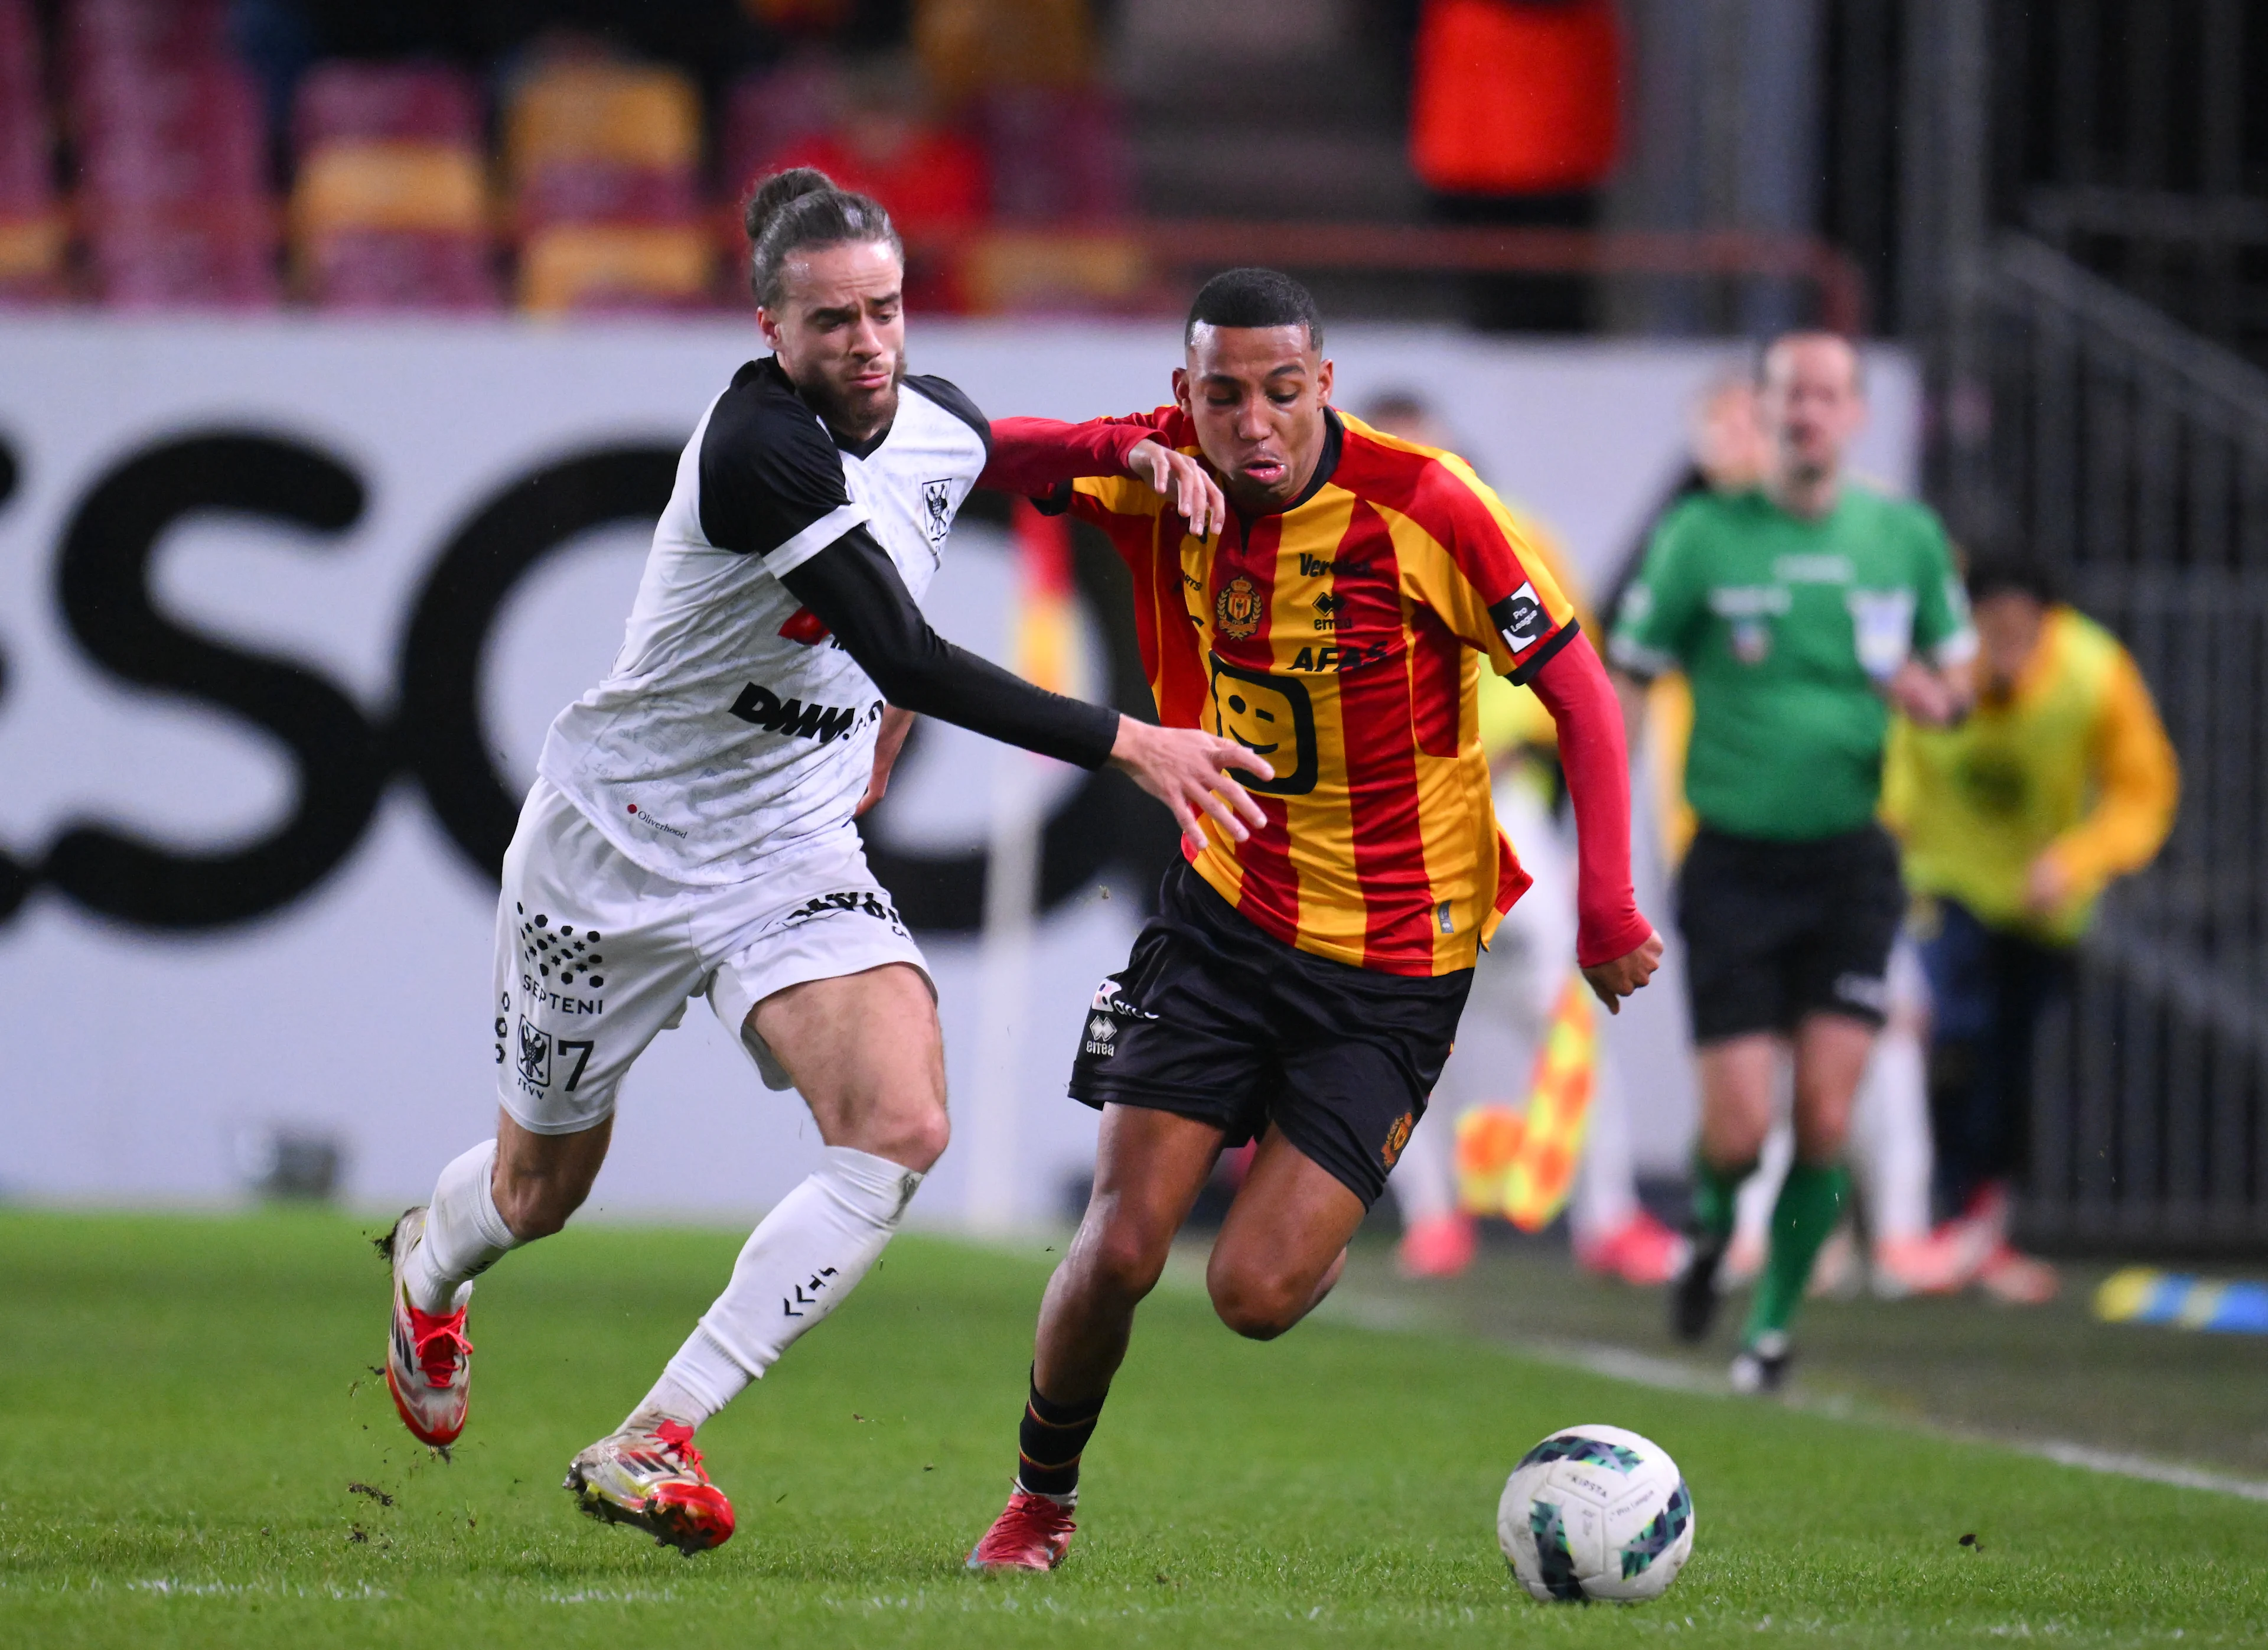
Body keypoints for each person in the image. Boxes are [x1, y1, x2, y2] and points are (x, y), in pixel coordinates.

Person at [377, 167, 1270, 1555]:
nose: (869, 346)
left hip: (784, 844)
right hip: (612, 852)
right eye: (834, 322)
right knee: (536, 1192)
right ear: (768, 327)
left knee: (902, 1125)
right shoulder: (757, 450)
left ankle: (653, 1434)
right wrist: (1128, 744)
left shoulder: (918, 412)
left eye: (888, 312)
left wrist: (1126, 448)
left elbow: (998, 450)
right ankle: (430, 1271)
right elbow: (901, 650)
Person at [963, 268, 1663, 1570]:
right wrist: (1115, 444)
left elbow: (1580, 691)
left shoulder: (1429, 505)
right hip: (1226, 917)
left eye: (1282, 390)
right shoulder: (1156, 470)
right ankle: (1038, 1499)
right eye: (1221, 396)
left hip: (1398, 962)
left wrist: (1608, 898)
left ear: (1322, 384)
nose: (1255, 423)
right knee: (1120, 1243)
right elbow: (964, 450)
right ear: (1187, 395)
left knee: (1254, 1293)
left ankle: (1307, 1194)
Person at [1607, 332, 1976, 1393]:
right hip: (1729, 861)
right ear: (1763, 412)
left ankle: (1767, 1332)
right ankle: (1714, 1235)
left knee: (1824, 1113)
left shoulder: (1900, 536)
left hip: (1853, 863)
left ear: (1855, 413)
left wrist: (1930, 697)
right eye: (1789, 395)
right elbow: (1631, 673)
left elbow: (1957, 686)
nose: (1808, 413)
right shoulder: (1703, 534)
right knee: (1738, 1127)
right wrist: (1603, 792)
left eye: (1827, 395)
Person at [1358, 391, 1684, 1285]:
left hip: (1504, 811)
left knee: (1569, 1012)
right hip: (1387, 825)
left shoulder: (1520, 533)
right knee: (1395, 1020)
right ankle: (1433, 1217)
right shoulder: (1336, 550)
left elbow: (1574, 678)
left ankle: (1609, 1216)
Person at [1882, 554, 2177, 1303]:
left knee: (2005, 1065)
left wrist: (2078, 859)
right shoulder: (1934, 660)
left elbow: (2146, 792)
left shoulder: (2094, 673)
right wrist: (1891, 834)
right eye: (1991, 633)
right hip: (1942, 885)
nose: (2005, 650)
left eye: (2022, 634)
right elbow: (1895, 757)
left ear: (2051, 626)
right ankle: (1913, 1225)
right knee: (1944, 1034)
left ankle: (1982, 1230)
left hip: (2043, 901)